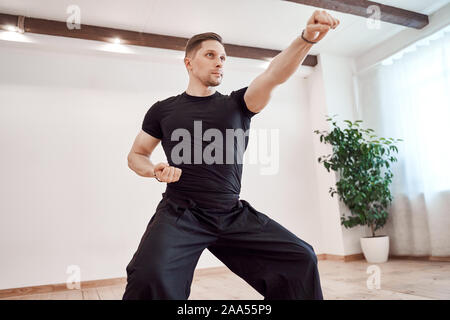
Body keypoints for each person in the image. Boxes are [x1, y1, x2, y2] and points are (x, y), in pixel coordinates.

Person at [123, 10, 340, 300]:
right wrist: (154, 169)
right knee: (150, 275)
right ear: (189, 62)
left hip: (230, 213)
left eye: (223, 57)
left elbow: (274, 74)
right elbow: (136, 154)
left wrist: (306, 39)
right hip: (181, 212)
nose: (219, 62)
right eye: (211, 55)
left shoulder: (238, 104)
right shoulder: (163, 110)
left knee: (301, 258)